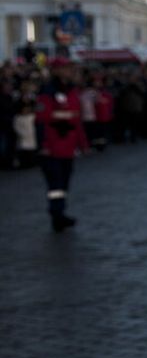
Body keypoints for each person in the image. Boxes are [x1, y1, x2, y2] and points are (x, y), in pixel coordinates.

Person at [36, 65, 88, 232]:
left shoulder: (72, 92)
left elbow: (77, 119)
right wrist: (43, 144)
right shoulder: (47, 92)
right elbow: (41, 119)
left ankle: (60, 212)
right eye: (66, 69)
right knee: (56, 184)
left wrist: (83, 144)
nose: (70, 73)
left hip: (68, 145)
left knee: (64, 182)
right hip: (52, 145)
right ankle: (56, 214)